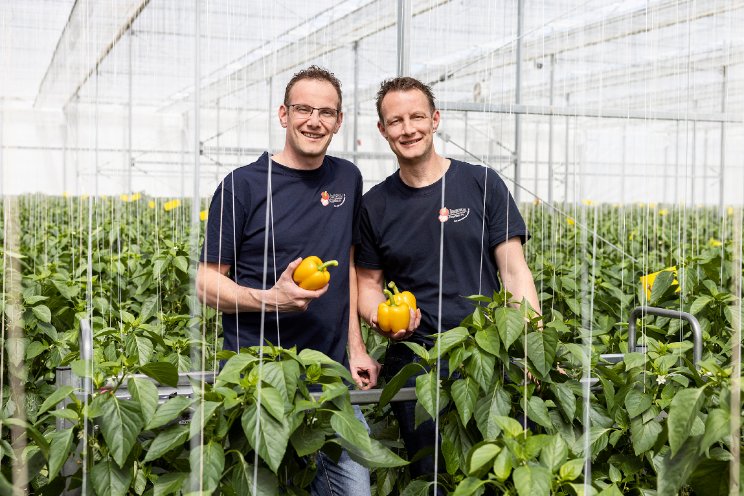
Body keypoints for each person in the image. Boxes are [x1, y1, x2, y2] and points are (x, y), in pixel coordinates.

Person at [196, 65, 379, 496]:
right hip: (254, 382)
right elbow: (206, 283)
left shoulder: (347, 179)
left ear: (339, 121)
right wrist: (269, 299)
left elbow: (348, 266)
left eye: (326, 112)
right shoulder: (241, 186)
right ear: (283, 114)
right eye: (303, 109)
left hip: (328, 379)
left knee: (354, 489)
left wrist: (355, 348)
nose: (314, 121)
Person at [355, 76, 541, 482]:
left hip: (488, 355)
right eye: (396, 121)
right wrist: (382, 318)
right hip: (416, 362)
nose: (408, 129)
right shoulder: (375, 205)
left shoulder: (481, 183)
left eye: (417, 116)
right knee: (432, 475)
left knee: (502, 469)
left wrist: (531, 343)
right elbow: (368, 284)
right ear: (382, 130)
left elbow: (514, 271)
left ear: (435, 119)